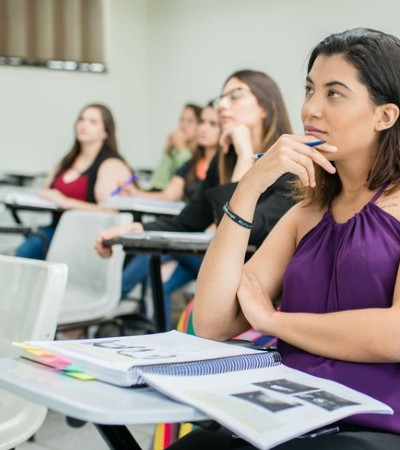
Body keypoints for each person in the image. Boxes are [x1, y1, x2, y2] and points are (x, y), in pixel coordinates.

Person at [172, 28, 400, 450]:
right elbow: (211, 322)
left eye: (334, 93)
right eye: (309, 90)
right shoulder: (308, 210)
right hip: (299, 411)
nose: (310, 109)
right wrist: (249, 187)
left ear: (385, 115)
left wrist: (274, 322)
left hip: (395, 421)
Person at [95, 70, 296, 325]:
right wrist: (136, 228)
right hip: (224, 282)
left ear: (266, 107)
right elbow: (188, 221)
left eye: (235, 96)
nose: (222, 105)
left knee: (191, 313)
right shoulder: (223, 161)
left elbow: (240, 229)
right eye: (220, 98)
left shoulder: (288, 163)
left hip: (265, 292)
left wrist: (246, 154)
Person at [116, 103, 222, 308]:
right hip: (189, 242)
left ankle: (114, 297)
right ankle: (154, 331)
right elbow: (169, 194)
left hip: (209, 249)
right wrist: (136, 193)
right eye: (202, 123)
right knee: (159, 278)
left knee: (154, 250)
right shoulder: (192, 164)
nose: (204, 128)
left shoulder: (227, 166)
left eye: (213, 124)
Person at [15, 104, 132, 260]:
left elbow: (109, 211)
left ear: (105, 132)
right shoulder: (67, 161)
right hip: (56, 228)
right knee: (22, 254)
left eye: (93, 121)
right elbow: (47, 191)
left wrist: (66, 202)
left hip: (85, 234)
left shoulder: (109, 164)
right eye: (81, 119)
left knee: (26, 253)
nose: (84, 125)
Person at [149, 104, 202, 191]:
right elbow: (158, 183)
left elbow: (190, 181)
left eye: (190, 121)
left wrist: (182, 149)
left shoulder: (201, 152)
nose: (183, 125)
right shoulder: (176, 150)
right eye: (181, 120)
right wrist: (167, 153)